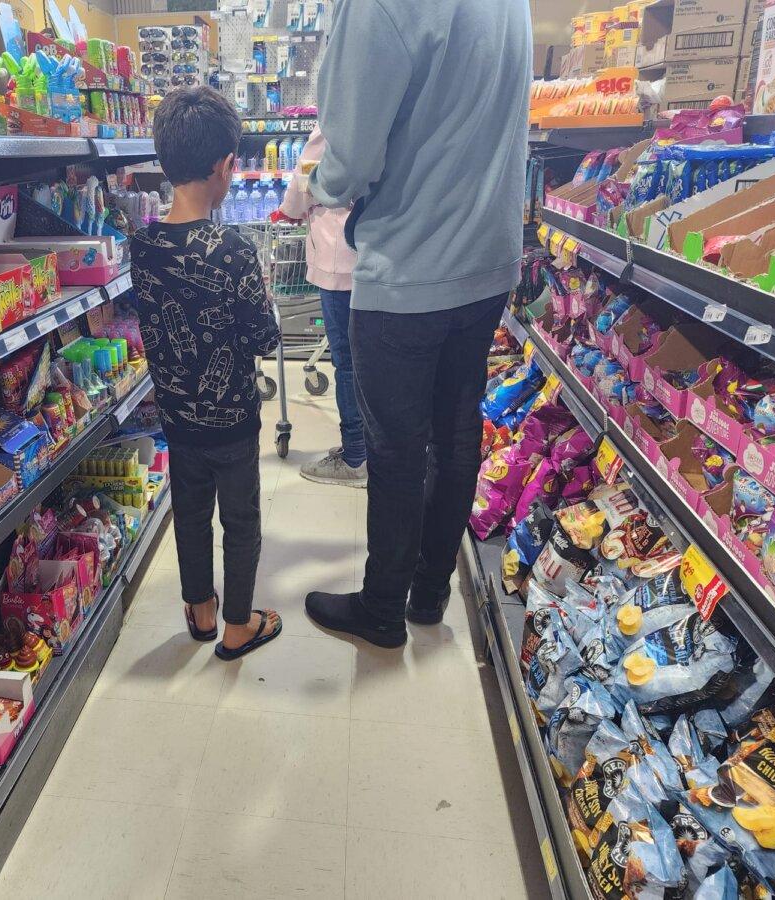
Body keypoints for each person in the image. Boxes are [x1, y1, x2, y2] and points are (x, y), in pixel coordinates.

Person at [304, 0, 532, 648]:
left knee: (397, 451)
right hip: (488, 256)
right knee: (457, 432)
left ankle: (381, 609)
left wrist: (316, 185)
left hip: (411, 262)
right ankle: (429, 594)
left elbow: (349, 159)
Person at [131, 86, 284, 660]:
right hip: (232, 420)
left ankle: (200, 611)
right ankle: (240, 626)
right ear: (225, 167)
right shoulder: (234, 249)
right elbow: (263, 338)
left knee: (189, 515)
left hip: (177, 416)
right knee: (240, 519)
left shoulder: (141, 245)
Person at [276, 126, 365, 487]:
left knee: (346, 362)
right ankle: (373, 448)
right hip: (375, 254)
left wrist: (290, 209)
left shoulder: (333, 120)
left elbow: (306, 178)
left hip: (338, 259)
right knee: (371, 360)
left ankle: (356, 456)